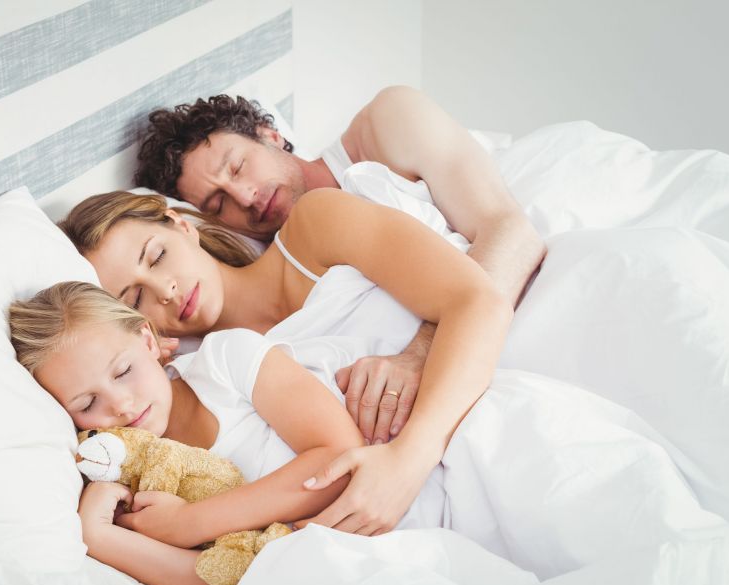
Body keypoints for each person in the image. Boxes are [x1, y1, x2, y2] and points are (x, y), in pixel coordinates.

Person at [58, 187, 511, 535]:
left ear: (181, 227)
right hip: (416, 523)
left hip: (487, 422)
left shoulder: (315, 228)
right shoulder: (187, 388)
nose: (166, 291)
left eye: (157, 257)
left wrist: (407, 461)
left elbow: (479, 301)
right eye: (136, 297)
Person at [133, 86, 545, 448]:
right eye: (218, 205)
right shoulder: (275, 272)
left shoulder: (385, 127)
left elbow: (511, 232)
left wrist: (419, 355)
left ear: (270, 135)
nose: (245, 197)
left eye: (238, 167)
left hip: (512, 308)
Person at [8, 282, 393, 585]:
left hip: (393, 519)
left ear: (147, 341)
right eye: (87, 404)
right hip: (315, 584)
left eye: (124, 372)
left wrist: (189, 522)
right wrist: (101, 537)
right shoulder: (130, 473)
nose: (122, 406)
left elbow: (340, 460)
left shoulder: (225, 361)